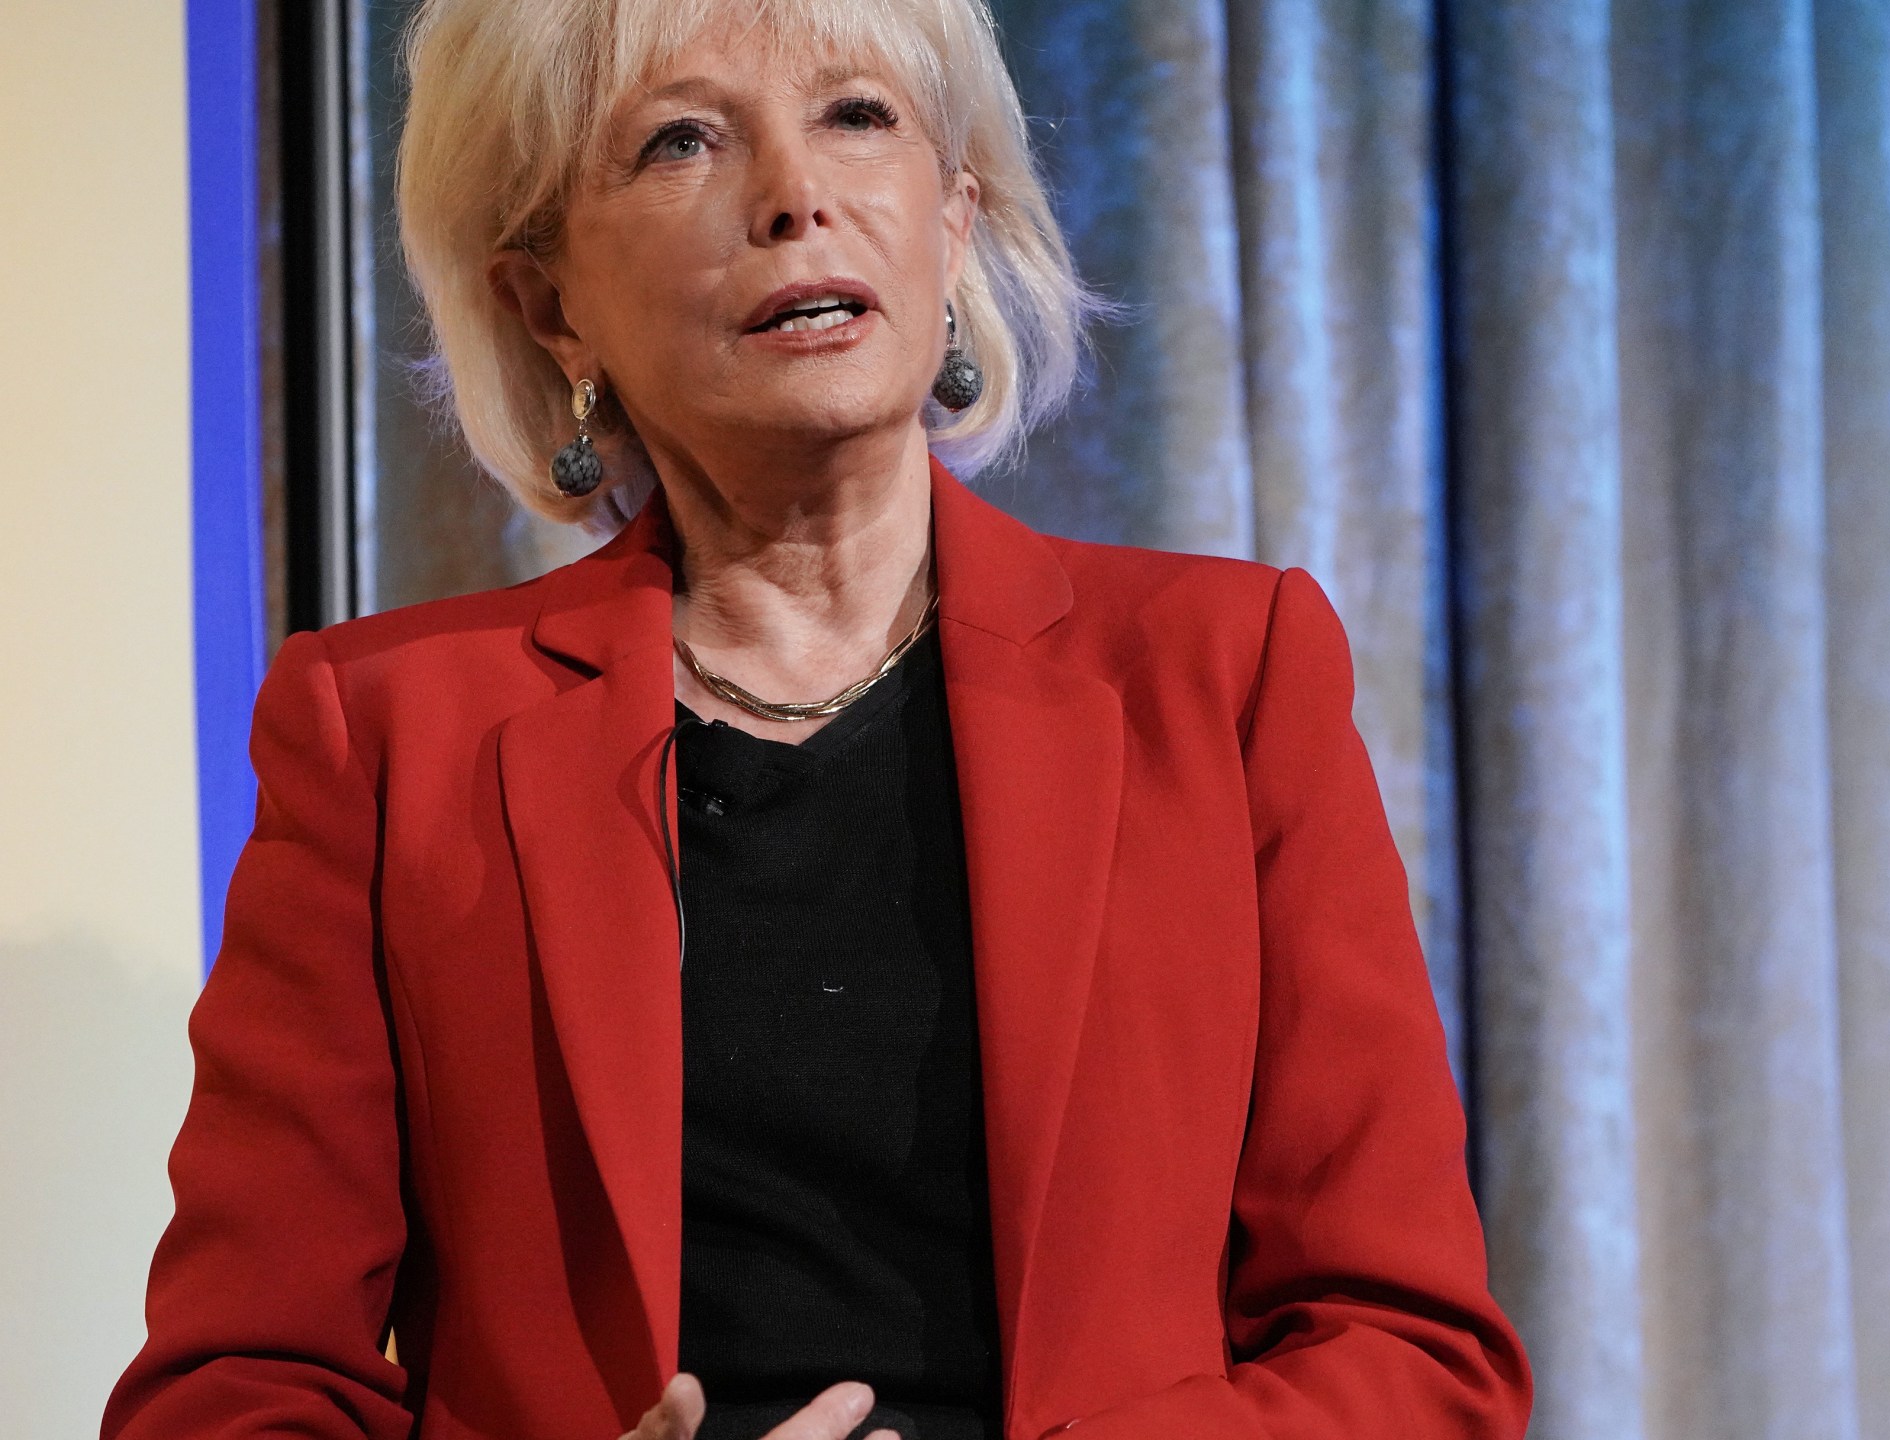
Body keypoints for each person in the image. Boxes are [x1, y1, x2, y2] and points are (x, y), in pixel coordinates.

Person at [100, 1, 1528, 1438]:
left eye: (859, 116)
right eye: (681, 140)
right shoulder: (384, 736)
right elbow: (231, 1393)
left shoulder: (1223, 675)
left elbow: (1408, 1350)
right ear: (551, 304)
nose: (796, 196)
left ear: (955, 221)